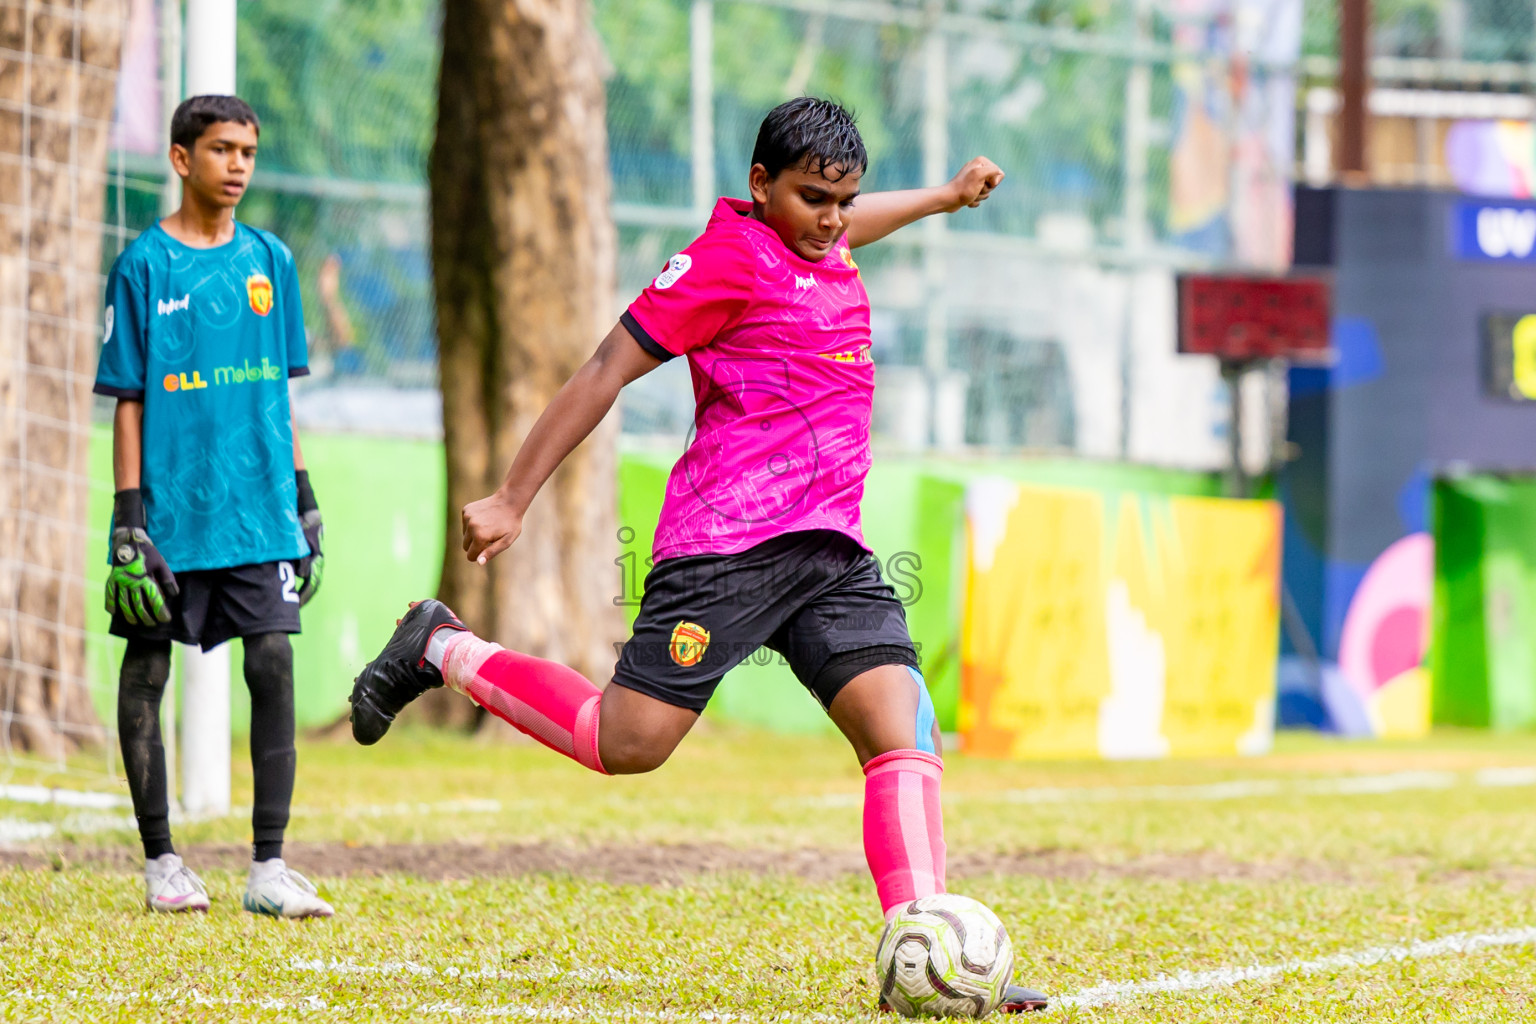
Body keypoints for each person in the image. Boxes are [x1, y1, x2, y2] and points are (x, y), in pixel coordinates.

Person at [349, 97, 1044, 1009]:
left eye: (845, 200)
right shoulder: (723, 262)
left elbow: (851, 226)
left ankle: (927, 952)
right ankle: (441, 646)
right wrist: (513, 496)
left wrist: (946, 197)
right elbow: (606, 367)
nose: (832, 219)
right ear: (759, 186)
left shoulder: (823, 235)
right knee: (623, 742)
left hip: (829, 548)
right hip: (726, 547)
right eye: (812, 199)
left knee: (903, 730)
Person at [94, 94, 332, 919]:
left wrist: (303, 498)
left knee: (272, 661)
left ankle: (269, 867)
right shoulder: (143, 267)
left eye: (249, 152)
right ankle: (162, 862)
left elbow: (280, 392)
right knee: (148, 671)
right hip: (171, 514)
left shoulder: (272, 260)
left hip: (257, 507)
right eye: (222, 150)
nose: (237, 166)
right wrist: (129, 517)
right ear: (181, 158)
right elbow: (126, 398)